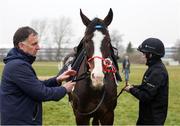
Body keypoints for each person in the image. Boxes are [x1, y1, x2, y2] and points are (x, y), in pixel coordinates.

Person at [0, 26, 77, 125]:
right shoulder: (18, 66)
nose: (38, 47)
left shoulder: (18, 63)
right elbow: (41, 93)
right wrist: (65, 89)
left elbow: (35, 85)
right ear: (21, 45)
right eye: (34, 44)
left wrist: (57, 80)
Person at [124, 38, 169, 125]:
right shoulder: (154, 68)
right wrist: (134, 86)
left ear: (151, 55)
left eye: (144, 53)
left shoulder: (158, 71)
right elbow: (146, 87)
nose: (143, 56)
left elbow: (146, 96)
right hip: (146, 117)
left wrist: (131, 90)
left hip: (152, 120)